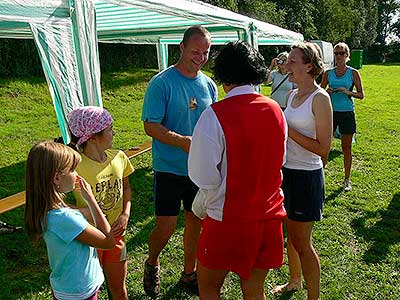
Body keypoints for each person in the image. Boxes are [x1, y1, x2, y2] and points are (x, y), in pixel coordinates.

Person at [188, 40, 287, 300]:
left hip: (227, 219)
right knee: (254, 290)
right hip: (268, 215)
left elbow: (202, 175)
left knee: (209, 288)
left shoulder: (215, 114)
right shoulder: (276, 109)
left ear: (223, 74)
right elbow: (279, 158)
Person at [141, 25, 218, 298]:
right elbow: (151, 125)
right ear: (182, 47)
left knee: (196, 222)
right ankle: (152, 262)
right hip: (170, 168)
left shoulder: (209, 84)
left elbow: (215, 124)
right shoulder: (161, 83)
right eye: (196, 51)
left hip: (201, 170)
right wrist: (184, 142)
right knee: (166, 226)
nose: (201, 57)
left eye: (206, 52)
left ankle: (189, 273)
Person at [271, 42, 333, 300]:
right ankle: (294, 281)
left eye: (293, 62)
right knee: (291, 237)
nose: (287, 67)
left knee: (302, 243)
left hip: (307, 176)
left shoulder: (320, 99)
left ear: (309, 66)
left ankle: (313, 297)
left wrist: (288, 129)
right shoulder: (291, 96)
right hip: (287, 173)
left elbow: (324, 149)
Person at [24, 141, 116, 300]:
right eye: (73, 170)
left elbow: (71, 216)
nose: (77, 175)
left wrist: (86, 211)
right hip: (80, 292)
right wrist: (92, 201)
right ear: (57, 178)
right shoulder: (66, 219)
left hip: (65, 287)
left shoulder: (44, 209)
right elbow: (108, 242)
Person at [68, 106, 134, 300]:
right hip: (88, 241)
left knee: (119, 290)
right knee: (90, 293)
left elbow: (127, 189)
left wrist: (125, 215)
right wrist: (84, 214)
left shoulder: (119, 157)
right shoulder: (74, 166)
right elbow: (57, 202)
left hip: (116, 237)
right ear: (93, 137)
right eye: (109, 128)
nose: (114, 132)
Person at [321, 42, 364, 192]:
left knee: (346, 147)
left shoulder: (353, 73)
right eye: (336, 53)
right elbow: (320, 92)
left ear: (347, 56)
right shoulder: (328, 73)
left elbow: (361, 95)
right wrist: (328, 91)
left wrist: (347, 92)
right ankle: (320, 176)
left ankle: (347, 179)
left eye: (341, 53)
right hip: (330, 112)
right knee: (324, 145)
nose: (338, 56)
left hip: (346, 112)